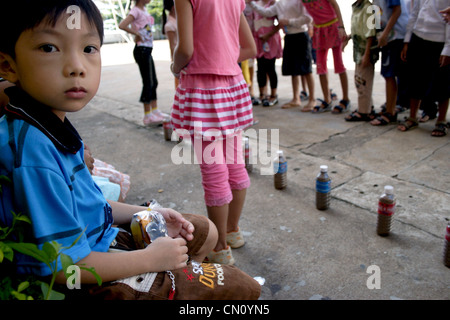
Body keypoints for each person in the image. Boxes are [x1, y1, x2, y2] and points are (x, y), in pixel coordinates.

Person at [0, 0, 260, 300]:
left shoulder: (47, 124)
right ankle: (169, 282)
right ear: (8, 66)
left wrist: (151, 211)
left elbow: (89, 205)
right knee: (244, 289)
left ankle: (172, 279)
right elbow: (64, 269)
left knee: (207, 232)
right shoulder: (34, 154)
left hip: (100, 240)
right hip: (90, 277)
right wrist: (152, 260)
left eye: (88, 49)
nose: (76, 68)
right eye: (49, 48)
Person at [171, 0, 257, 265]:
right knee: (234, 164)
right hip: (232, 87)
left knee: (214, 170)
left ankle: (219, 248)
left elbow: (185, 48)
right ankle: (232, 232)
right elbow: (250, 48)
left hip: (203, 90)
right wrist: (223, 59)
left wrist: (176, 67)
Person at [247, 0, 316, 112]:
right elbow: (266, 12)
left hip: (301, 35)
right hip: (289, 36)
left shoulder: (299, 1)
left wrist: (289, 21)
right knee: (294, 70)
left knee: (306, 69)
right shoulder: (279, 3)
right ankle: (296, 98)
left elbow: (308, 18)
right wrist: (251, 3)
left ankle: (312, 99)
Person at [398, 0, 450, 137]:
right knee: (415, 79)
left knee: (442, 81)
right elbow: (414, 13)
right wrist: (407, 40)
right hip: (418, 35)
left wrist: (448, 48)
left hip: (440, 39)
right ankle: (412, 117)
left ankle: (441, 120)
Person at [119, 0, 168, 126]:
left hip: (147, 49)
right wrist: (136, 34)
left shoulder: (144, 10)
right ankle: (147, 115)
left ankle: (155, 110)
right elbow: (122, 25)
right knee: (148, 82)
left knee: (154, 82)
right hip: (141, 50)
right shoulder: (135, 10)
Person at [301, 0, 350, 114]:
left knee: (339, 64)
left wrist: (341, 26)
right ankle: (327, 99)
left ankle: (345, 99)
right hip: (319, 29)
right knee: (320, 66)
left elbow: (334, 4)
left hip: (333, 26)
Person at [369, 0, 409, 126]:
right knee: (388, 74)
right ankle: (390, 108)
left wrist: (384, 33)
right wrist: (377, 34)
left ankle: (390, 112)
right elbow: (375, 10)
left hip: (396, 36)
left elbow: (397, 10)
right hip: (386, 37)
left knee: (390, 74)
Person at [344, 0, 379, 122]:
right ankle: (368, 107)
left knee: (364, 81)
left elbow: (371, 33)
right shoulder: (357, 6)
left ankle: (364, 112)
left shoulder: (369, 7)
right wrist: (348, 38)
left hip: (366, 50)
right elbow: (356, 28)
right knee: (360, 80)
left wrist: (367, 54)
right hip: (358, 49)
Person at [252, 0, 283, 107]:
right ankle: (262, 94)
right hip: (258, 39)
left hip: (270, 40)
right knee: (260, 68)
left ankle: (273, 95)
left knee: (270, 67)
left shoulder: (273, 3)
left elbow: (280, 22)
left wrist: (269, 34)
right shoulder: (256, 2)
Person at [162, 0, 179, 89]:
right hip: (179, 61)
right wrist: (175, 66)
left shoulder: (178, 21)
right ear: (173, 8)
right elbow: (172, 46)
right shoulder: (170, 25)